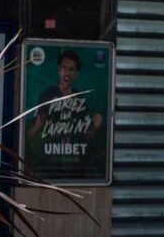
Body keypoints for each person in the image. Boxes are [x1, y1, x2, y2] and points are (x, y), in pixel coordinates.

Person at [25, 50, 105, 179]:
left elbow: (87, 136)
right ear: (59, 70)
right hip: (48, 166)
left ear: (77, 74)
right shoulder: (47, 96)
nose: (66, 72)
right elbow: (30, 136)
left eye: (71, 69)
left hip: (73, 167)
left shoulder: (80, 100)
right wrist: (38, 125)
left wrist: (95, 126)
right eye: (64, 68)